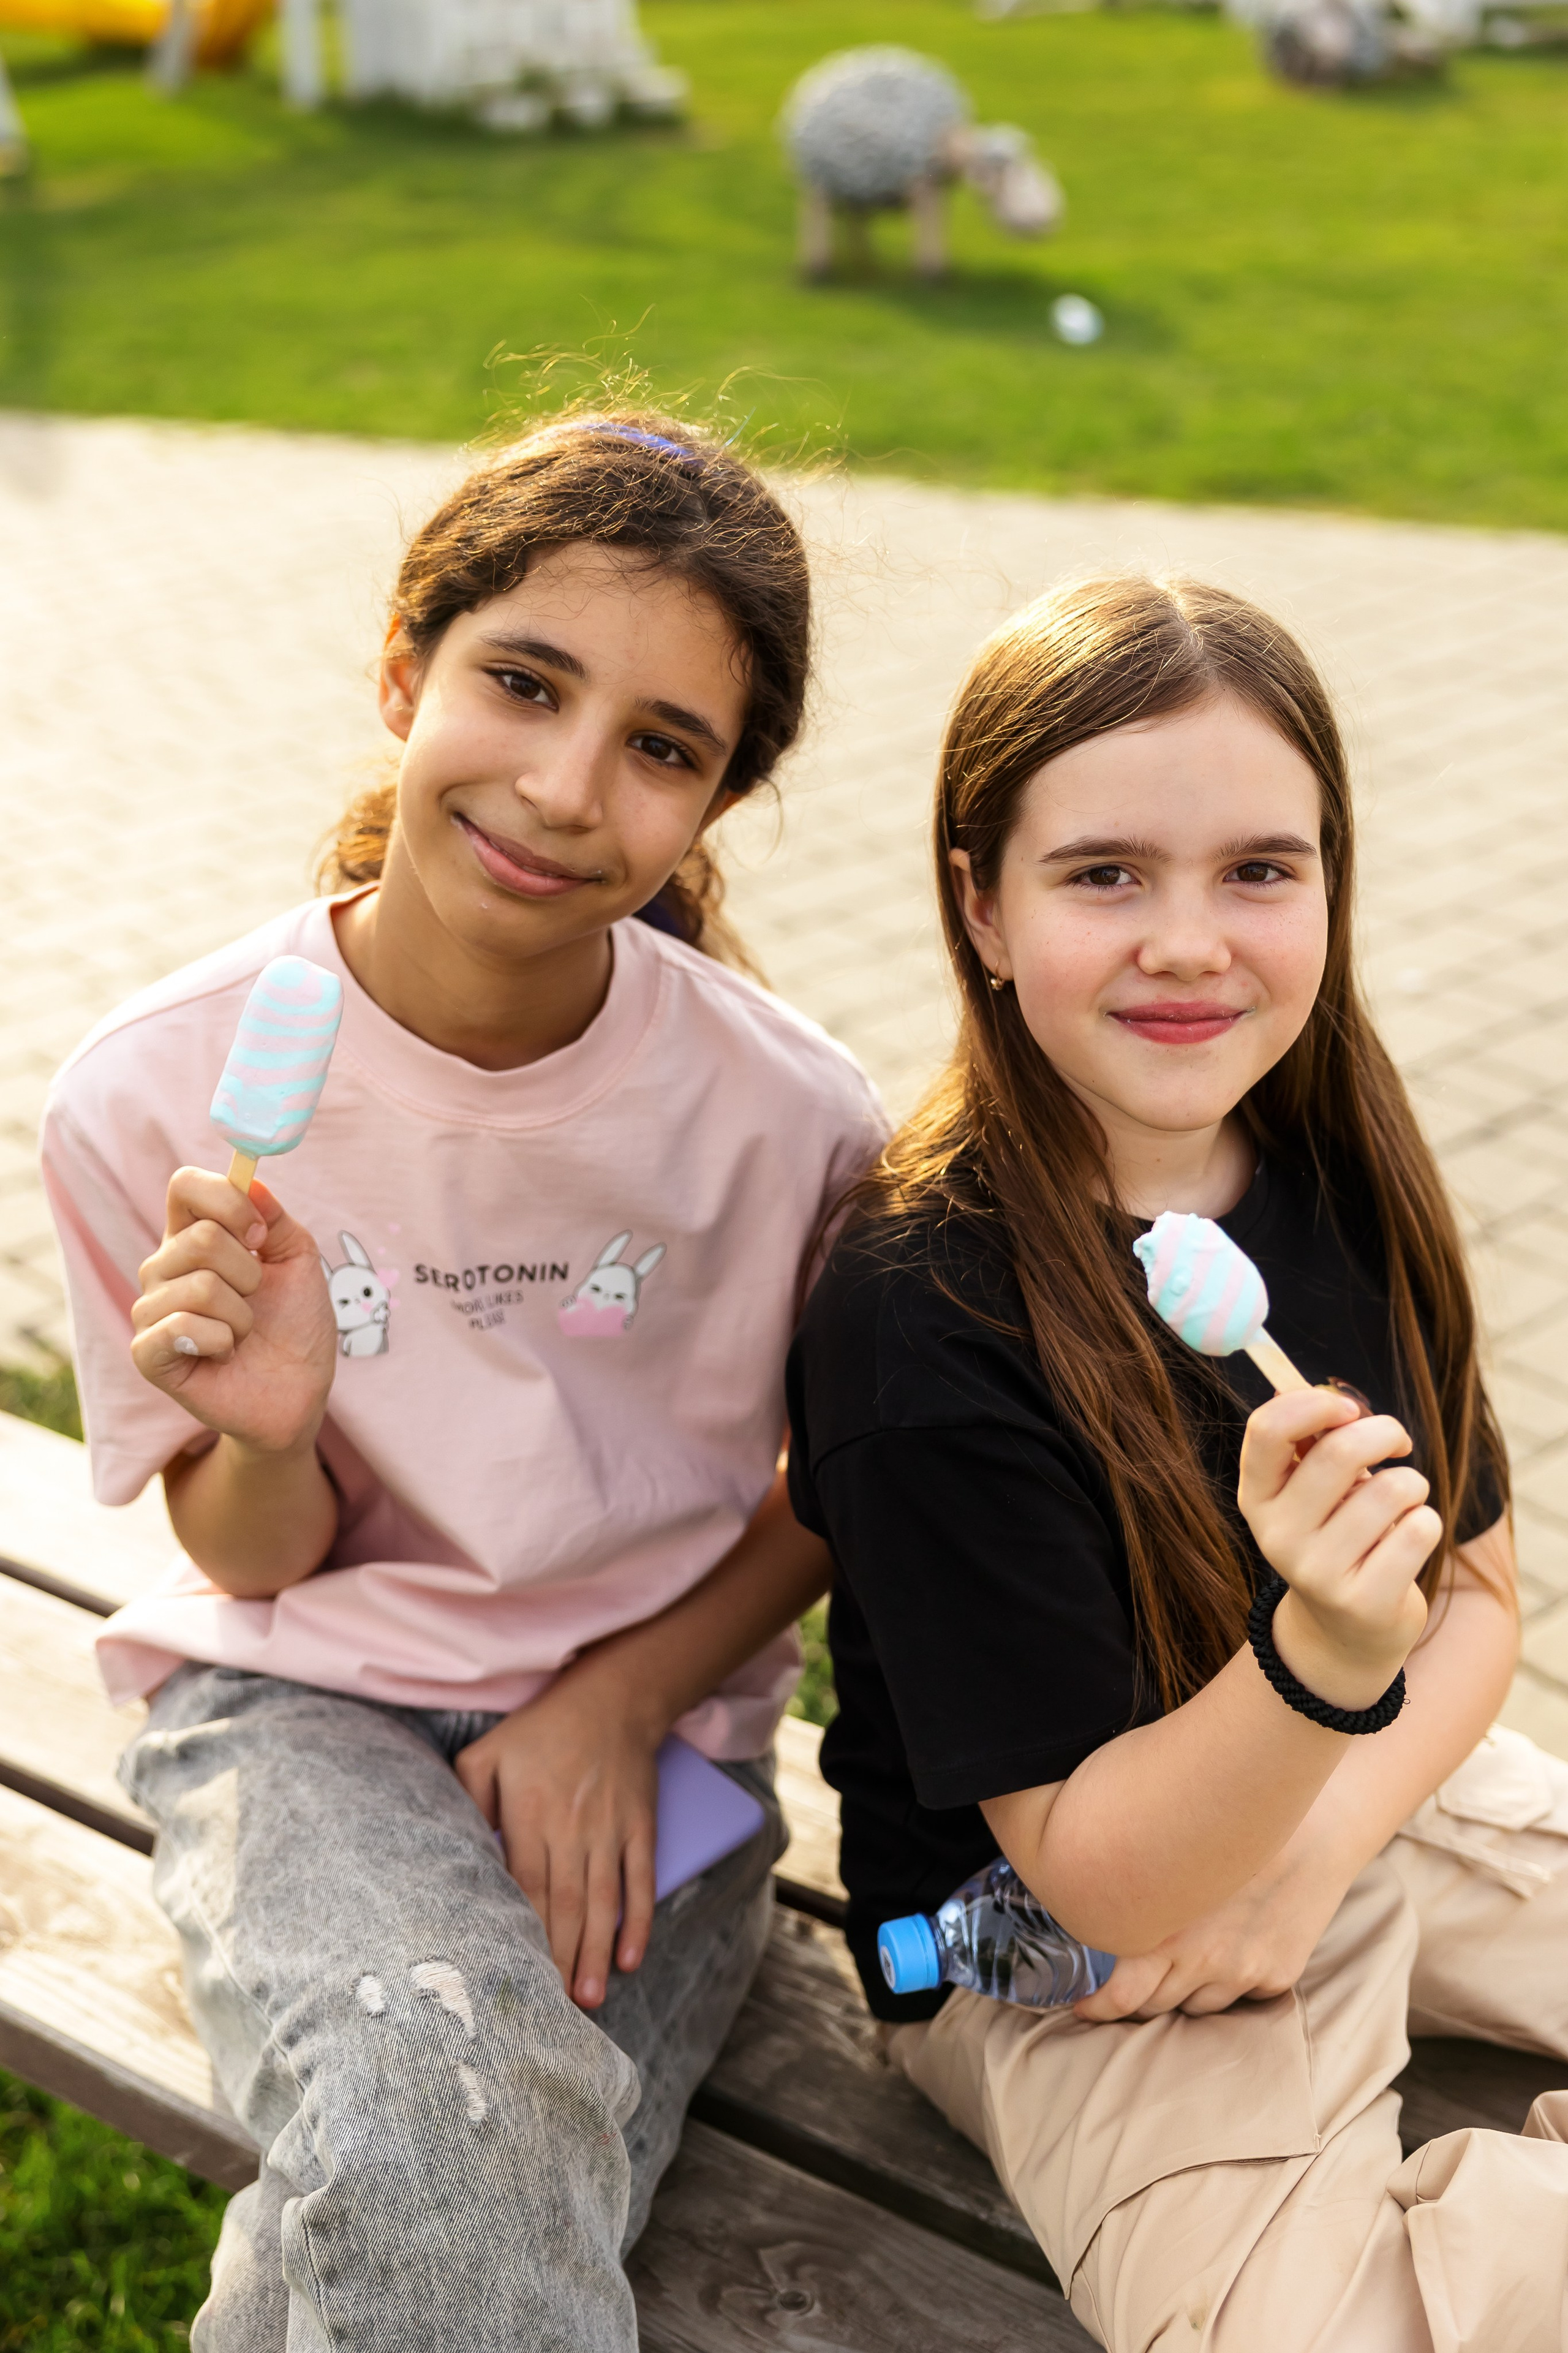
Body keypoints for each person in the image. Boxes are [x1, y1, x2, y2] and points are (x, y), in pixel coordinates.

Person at [41, 409, 884, 2352]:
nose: (568, 786)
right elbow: (253, 1556)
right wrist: (267, 1428)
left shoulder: (789, 1119)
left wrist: (626, 1690)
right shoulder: (156, 1094)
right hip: (297, 1703)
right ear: (408, 665)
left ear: (715, 804)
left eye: (662, 747)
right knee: (446, 2111)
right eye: (524, 681)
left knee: (433, 2144)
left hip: (663, 1745)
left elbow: (832, 1482)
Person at [786, 575, 1568, 2351]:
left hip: (1361, 1786)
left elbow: (1478, 1596)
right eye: (1105, 873)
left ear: (1331, 886)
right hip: (1017, 1925)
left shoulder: (1340, 1162)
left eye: (1259, 870)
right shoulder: (918, 1316)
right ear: (981, 905)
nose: (1192, 942)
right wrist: (1321, 1664)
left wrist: (1324, 1837)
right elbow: (1096, 1874)